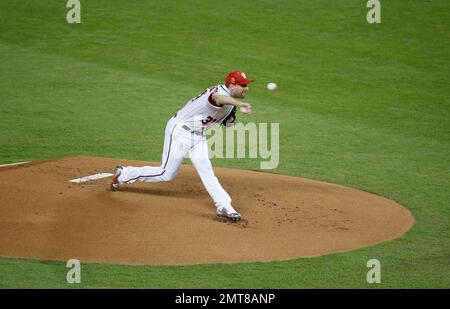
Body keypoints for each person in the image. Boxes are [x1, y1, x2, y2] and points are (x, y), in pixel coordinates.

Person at [111, 71, 254, 221]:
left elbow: (229, 124)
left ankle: (224, 206)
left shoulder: (231, 103)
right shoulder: (219, 93)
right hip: (180, 130)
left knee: (206, 170)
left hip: (198, 136)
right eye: (243, 85)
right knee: (166, 173)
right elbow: (217, 99)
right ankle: (124, 174)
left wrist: (232, 118)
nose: (246, 88)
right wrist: (240, 103)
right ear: (232, 85)